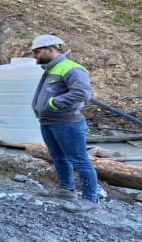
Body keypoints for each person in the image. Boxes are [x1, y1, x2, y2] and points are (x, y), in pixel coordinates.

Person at [31, 34, 99, 212]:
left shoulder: (71, 68)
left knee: (80, 160)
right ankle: (66, 189)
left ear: (50, 50)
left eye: (37, 52)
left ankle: (90, 199)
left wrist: (54, 103)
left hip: (67, 123)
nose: (34, 56)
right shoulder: (53, 68)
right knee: (58, 157)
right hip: (49, 122)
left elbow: (83, 93)